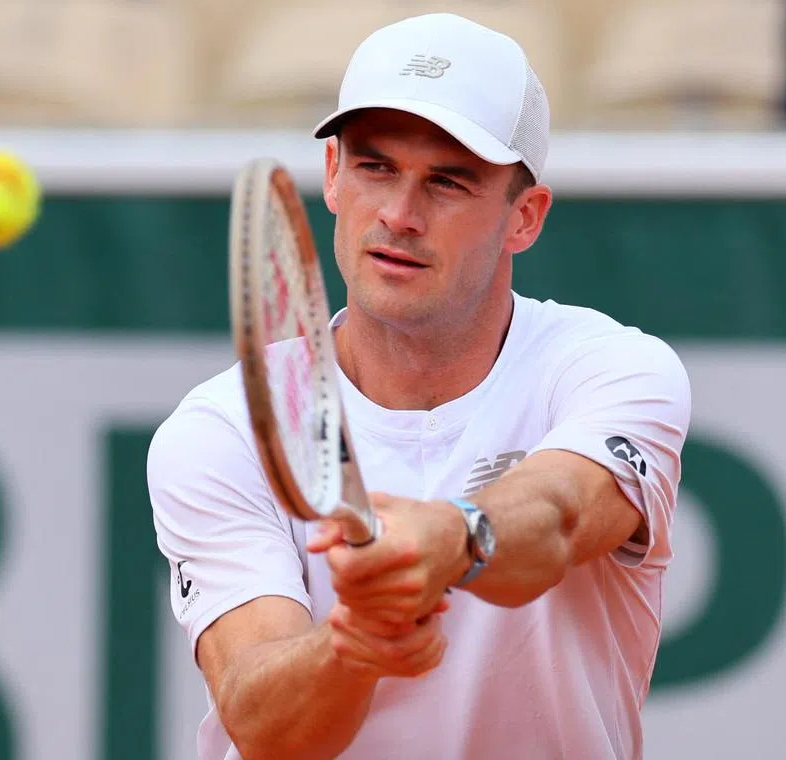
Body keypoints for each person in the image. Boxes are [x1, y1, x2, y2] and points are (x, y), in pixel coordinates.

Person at [147, 13, 691, 760]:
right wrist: (358, 642)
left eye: (447, 182)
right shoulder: (224, 427)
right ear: (333, 175)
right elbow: (265, 724)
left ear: (523, 217)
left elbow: (562, 519)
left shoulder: (614, 370)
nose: (400, 216)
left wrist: (452, 538)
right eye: (376, 168)